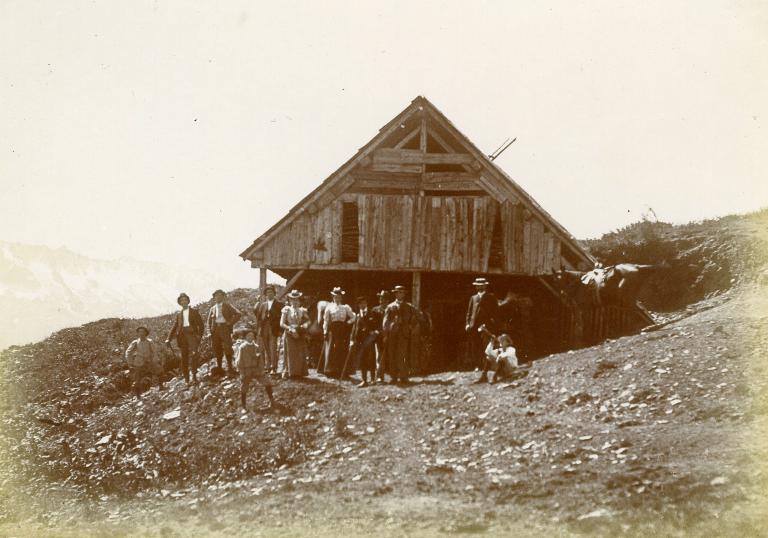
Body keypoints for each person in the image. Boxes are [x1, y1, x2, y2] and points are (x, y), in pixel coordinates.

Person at [165, 292, 204, 384]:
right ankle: (187, 379)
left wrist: (199, 336)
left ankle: (194, 376)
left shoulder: (194, 312)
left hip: (192, 335)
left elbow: (201, 325)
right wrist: (168, 338)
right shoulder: (179, 314)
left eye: (185, 300)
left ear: (188, 301)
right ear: (179, 303)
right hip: (182, 337)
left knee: (194, 355)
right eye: (181, 300)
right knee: (184, 357)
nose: (183, 302)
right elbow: (174, 327)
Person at [465, 277, 499, 382]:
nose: (480, 287)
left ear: (485, 286)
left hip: (486, 327)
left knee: (487, 348)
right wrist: (467, 324)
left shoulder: (491, 297)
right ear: (476, 287)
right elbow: (469, 312)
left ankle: (486, 369)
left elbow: (496, 312)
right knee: (476, 347)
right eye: (478, 285)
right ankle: (478, 366)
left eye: (482, 285)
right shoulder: (473, 298)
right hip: (474, 326)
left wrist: (492, 324)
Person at [383, 285, 418, 384]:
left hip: (403, 334)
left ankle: (403, 376)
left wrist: (410, 326)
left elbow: (417, 317)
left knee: (403, 355)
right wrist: (386, 333)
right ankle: (393, 377)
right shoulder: (390, 306)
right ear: (395, 294)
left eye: (402, 293)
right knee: (392, 354)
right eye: (398, 292)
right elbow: (385, 321)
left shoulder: (409, 306)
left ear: (404, 294)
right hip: (392, 333)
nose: (400, 294)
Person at [234, 328, 275, 409]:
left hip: (256, 370)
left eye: (252, 336)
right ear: (245, 337)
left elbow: (261, 361)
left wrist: (262, 370)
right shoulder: (242, 348)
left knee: (267, 383)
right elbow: (239, 361)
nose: (250, 337)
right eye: (248, 336)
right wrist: (242, 372)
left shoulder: (256, 347)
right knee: (244, 387)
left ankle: (272, 401)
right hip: (246, 370)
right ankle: (244, 406)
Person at [321, 286, 355, 378]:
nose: (337, 298)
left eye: (339, 297)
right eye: (335, 297)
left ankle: (342, 370)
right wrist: (325, 331)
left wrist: (347, 323)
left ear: (341, 298)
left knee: (342, 348)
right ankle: (331, 370)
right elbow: (326, 320)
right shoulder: (329, 307)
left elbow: (353, 317)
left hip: (342, 330)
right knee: (332, 348)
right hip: (333, 330)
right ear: (333, 297)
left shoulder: (345, 307)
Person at [206, 289, 242, 377]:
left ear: (223, 297)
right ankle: (219, 368)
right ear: (214, 298)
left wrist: (230, 322)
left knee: (228, 347)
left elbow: (238, 314)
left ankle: (230, 368)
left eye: (220, 295)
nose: (218, 297)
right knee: (217, 348)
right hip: (215, 330)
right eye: (216, 296)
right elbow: (208, 322)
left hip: (225, 329)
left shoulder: (227, 306)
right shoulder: (212, 308)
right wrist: (209, 332)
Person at [350, 296, 380, 387]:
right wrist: (352, 339)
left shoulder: (373, 313)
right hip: (361, 341)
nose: (362, 305)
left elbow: (378, 325)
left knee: (371, 359)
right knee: (363, 360)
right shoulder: (357, 316)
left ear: (366, 303)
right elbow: (354, 328)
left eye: (364, 303)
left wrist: (375, 332)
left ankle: (373, 379)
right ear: (358, 305)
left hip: (370, 340)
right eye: (360, 303)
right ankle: (364, 380)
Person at [254, 285, 284, 374]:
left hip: (274, 328)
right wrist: (259, 329)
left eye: (271, 292)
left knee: (273, 347)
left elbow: (282, 318)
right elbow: (259, 317)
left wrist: (280, 330)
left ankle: (273, 367)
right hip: (264, 328)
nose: (269, 294)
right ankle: (268, 366)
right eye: (267, 293)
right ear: (265, 295)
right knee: (266, 348)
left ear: (274, 293)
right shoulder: (263, 305)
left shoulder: (279, 304)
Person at [280, 290, 310, 378]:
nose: (295, 301)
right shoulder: (286, 310)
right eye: (293, 299)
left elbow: (309, 321)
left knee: (299, 352)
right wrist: (290, 329)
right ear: (290, 300)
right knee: (290, 353)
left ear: (299, 300)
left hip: (299, 332)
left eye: (296, 299)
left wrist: (305, 325)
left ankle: (299, 372)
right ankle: (290, 372)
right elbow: (281, 323)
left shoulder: (302, 310)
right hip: (289, 332)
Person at [125, 326, 163, 396]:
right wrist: (130, 363)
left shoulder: (150, 341)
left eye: (143, 332)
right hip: (139, 362)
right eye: (139, 332)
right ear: (137, 333)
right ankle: (138, 395)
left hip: (149, 361)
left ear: (146, 333)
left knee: (160, 371)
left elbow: (154, 352)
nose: (141, 333)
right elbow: (128, 352)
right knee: (137, 379)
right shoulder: (135, 342)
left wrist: (155, 360)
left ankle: (161, 386)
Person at [371, 290, 390, 383]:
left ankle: (394, 375)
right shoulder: (375, 310)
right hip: (379, 336)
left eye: (385, 299)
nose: (382, 301)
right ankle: (379, 376)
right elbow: (373, 323)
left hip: (390, 335)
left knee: (390, 355)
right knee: (379, 355)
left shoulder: (391, 309)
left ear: (388, 301)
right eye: (381, 299)